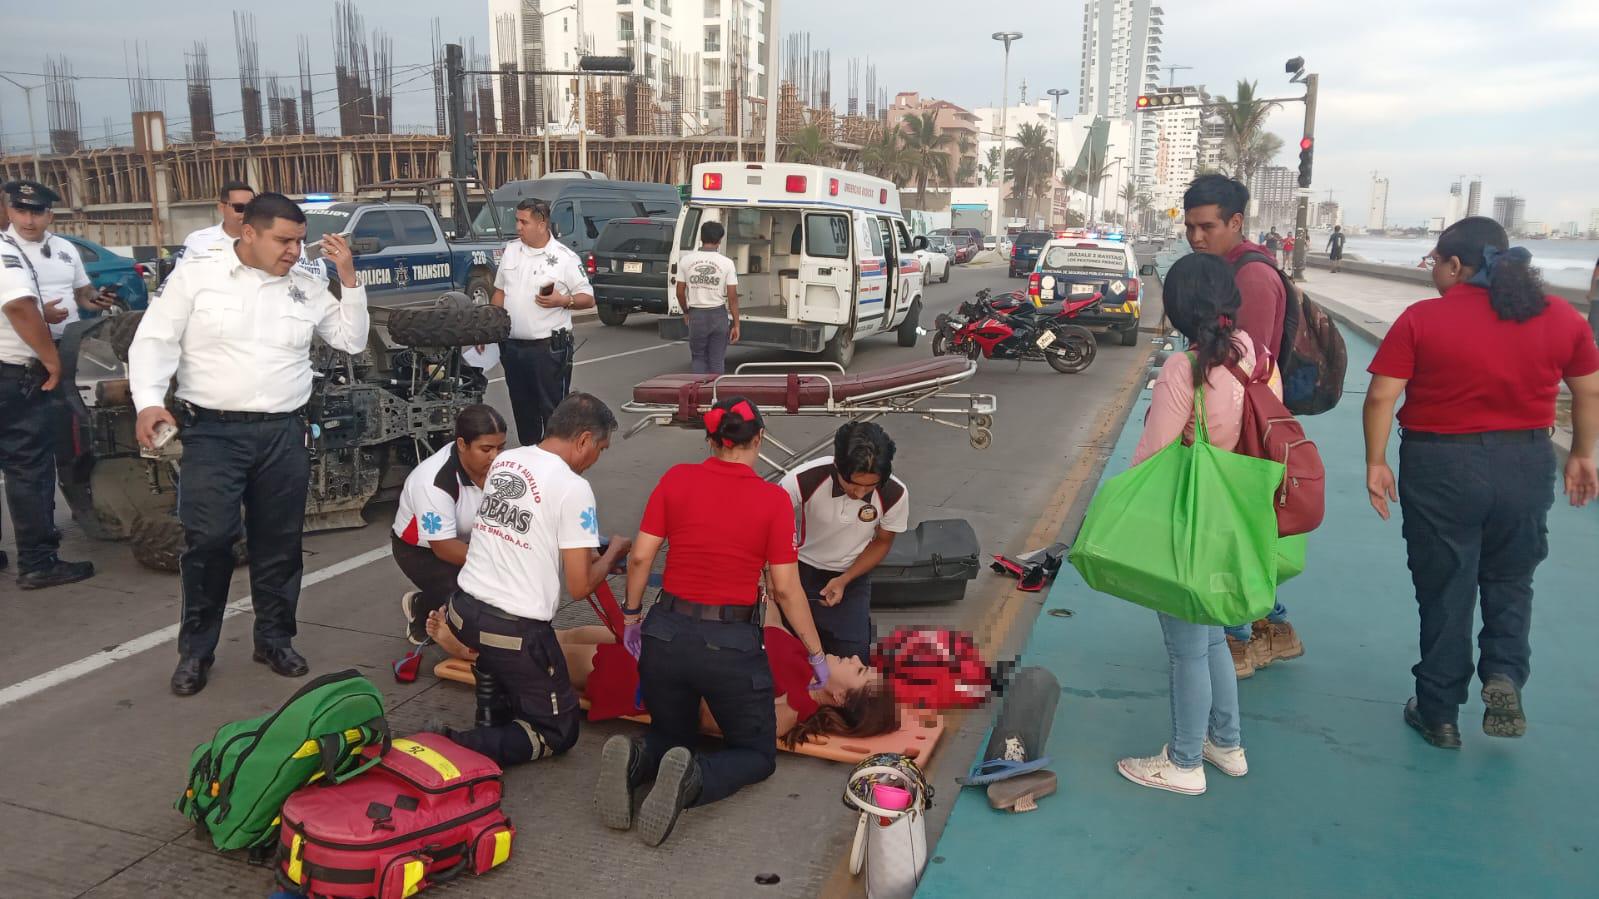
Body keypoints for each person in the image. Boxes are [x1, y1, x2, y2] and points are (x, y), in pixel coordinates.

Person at [1363, 217, 1599, 750]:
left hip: (1441, 465)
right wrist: (1582, 453)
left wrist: (1376, 461)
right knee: (1511, 578)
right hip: (1525, 463)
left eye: (1435, 264)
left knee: (1446, 585)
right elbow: (1589, 390)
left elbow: (1382, 396)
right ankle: (1504, 675)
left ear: (1453, 264)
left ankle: (1439, 712)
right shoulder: (1559, 316)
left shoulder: (1425, 318)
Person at [129, 193, 367, 696]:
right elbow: (154, 340)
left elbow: (351, 340)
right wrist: (149, 401)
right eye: (284, 240)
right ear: (249, 234)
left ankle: (274, 639)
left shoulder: (305, 285)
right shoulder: (198, 277)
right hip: (214, 433)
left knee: (279, 544)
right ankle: (196, 651)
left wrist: (347, 278)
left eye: (300, 242)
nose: (293, 251)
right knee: (210, 541)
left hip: (283, 432)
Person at [597, 396, 832, 847]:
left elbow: (642, 555)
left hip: (665, 633)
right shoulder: (773, 499)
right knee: (755, 754)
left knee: (671, 735)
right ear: (759, 440)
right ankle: (693, 780)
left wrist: (631, 618)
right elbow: (784, 588)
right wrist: (816, 652)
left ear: (710, 439)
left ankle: (635, 759)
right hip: (730, 647)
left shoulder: (677, 478)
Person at [1116, 252, 1268, 796]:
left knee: (1187, 649)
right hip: (1236, 515)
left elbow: (1152, 457)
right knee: (1211, 640)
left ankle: (1183, 762)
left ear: (1180, 307)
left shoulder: (1187, 369)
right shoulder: (1253, 354)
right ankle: (1226, 744)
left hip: (1189, 518)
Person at [439, 393, 632, 766]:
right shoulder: (574, 488)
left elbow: (526, 524)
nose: (596, 459)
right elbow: (580, 585)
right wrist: (613, 553)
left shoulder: (507, 460)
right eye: (601, 449)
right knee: (559, 730)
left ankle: (491, 713)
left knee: (517, 666)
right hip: (513, 630)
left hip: (462, 609)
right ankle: (456, 745)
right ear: (583, 441)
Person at [425, 602, 897, 748]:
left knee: (537, 659)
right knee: (556, 637)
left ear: (841, 698)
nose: (854, 660)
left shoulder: (793, 709)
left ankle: (466, 651)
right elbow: (769, 633)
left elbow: (718, 719)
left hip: (652, 674)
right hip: (665, 642)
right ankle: (478, 641)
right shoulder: (807, 661)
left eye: (858, 672)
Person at [1182, 173, 1302, 677]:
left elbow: (1241, 362)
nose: (1196, 238)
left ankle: (1240, 639)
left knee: (1234, 537)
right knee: (1239, 536)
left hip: (1244, 432)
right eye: (1189, 227)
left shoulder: (1249, 278)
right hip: (1238, 429)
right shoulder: (1225, 269)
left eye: (1206, 226)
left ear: (1236, 221)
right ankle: (1269, 627)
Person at [0, 221, 95, 588]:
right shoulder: (6, 252)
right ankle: (39, 561)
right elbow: (20, 307)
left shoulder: (55, 249)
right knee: (29, 467)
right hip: (11, 372)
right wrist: (50, 359)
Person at [780, 422, 909, 661]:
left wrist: (845, 579)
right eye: (853, 484)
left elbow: (882, 541)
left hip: (852, 577)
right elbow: (771, 530)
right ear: (837, 466)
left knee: (854, 658)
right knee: (793, 656)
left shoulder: (895, 494)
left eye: (869, 486)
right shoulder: (800, 480)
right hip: (799, 571)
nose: (860, 493)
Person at [392, 404, 507, 645]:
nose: (495, 456)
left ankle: (435, 600)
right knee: (475, 603)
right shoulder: (434, 482)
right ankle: (424, 605)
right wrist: (498, 561)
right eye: (486, 449)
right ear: (462, 444)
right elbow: (443, 548)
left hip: (471, 540)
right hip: (423, 552)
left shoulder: (501, 465)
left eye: (500, 447)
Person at [492, 198, 595, 444]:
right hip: (513, 347)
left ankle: (556, 464)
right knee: (523, 410)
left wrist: (563, 301)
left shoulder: (564, 257)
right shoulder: (511, 250)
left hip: (548, 349)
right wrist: (490, 329)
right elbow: (499, 292)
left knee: (553, 412)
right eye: (517, 220)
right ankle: (531, 459)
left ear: (542, 224)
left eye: (523, 221)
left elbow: (587, 298)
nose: (518, 226)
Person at [4, 181, 117, 339]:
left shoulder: (65, 247)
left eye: (36, 213)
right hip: (18, 353)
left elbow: (82, 292)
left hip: (69, 342)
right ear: (10, 213)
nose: (29, 221)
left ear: (49, 216)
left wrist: (97, 299)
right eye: (21, 212)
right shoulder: (3, 247)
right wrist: (39, 314)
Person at [675, 220, 741, 374]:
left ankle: (699, 395)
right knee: (717, 360)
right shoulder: (727, 263)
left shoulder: (686, 261)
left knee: (698, 358)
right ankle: (714, 395)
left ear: (701, 238)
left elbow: (679, 292)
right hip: (718, 315)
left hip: (696, 314)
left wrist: (686, 311)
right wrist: (736, 324)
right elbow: (732, 297)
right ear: (719, 241)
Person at [176, 181, 255, 267]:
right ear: (221, 208)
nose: (246, 213)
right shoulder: (198, 240)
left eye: (251, 207)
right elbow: (179, 276)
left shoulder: (264, 240)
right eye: (239, 207)